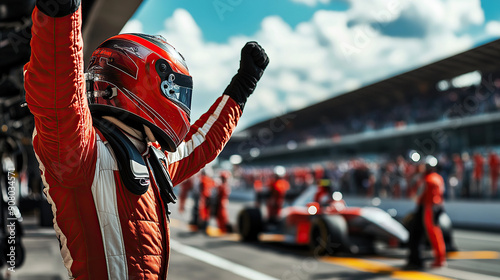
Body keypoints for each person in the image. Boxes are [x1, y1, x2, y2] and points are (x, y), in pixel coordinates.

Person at [24, 1, 269, 278]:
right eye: (172, 89)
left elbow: (201, 143)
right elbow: (57, 93)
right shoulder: (83, 152)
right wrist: (60, 18)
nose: (179, 101)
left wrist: (241, 88)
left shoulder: (151, 157)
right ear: (141, 78)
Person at [406, 156, 446, 270]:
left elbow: (418, 196)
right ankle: (440, 257)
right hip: (438, 207)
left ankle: (439, 259)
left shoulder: (427, 180)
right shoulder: (438, 178)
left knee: (432, 233)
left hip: (429, 207)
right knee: (436, 232)